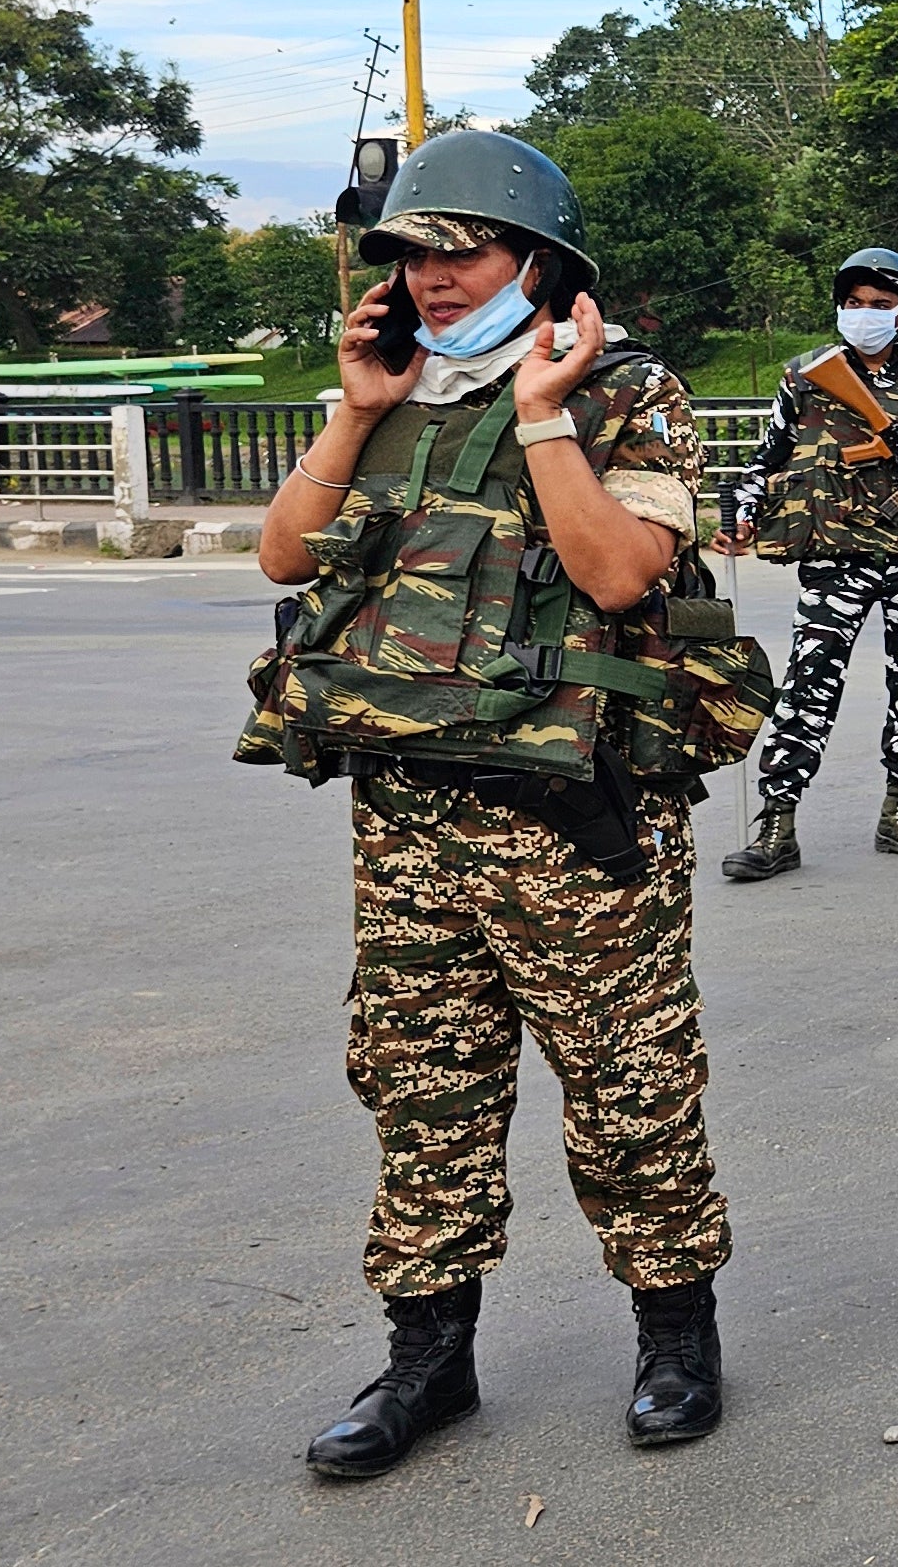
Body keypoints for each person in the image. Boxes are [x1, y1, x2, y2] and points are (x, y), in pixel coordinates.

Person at [246, 132, 730, 1474]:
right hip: (408, 823)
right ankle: (426, 1362)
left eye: (460, 249)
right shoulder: (395, 392)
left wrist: (540, 417)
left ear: (538, 260)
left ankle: (676, 1337)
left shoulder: (626, 391)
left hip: (576, 824)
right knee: (421, 1095)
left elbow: (624, 571)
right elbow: (287, 551)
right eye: (411, 252)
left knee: (629, 1091)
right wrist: (352, 407)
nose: (434, 276)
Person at [714, 248, 898, 880]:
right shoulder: (806, 375)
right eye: (853, 305)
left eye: (879, 305)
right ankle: (777, 823)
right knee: (807, 688)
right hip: (836, 557)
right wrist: (739, 509)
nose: (864, 315)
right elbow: (763, 462)